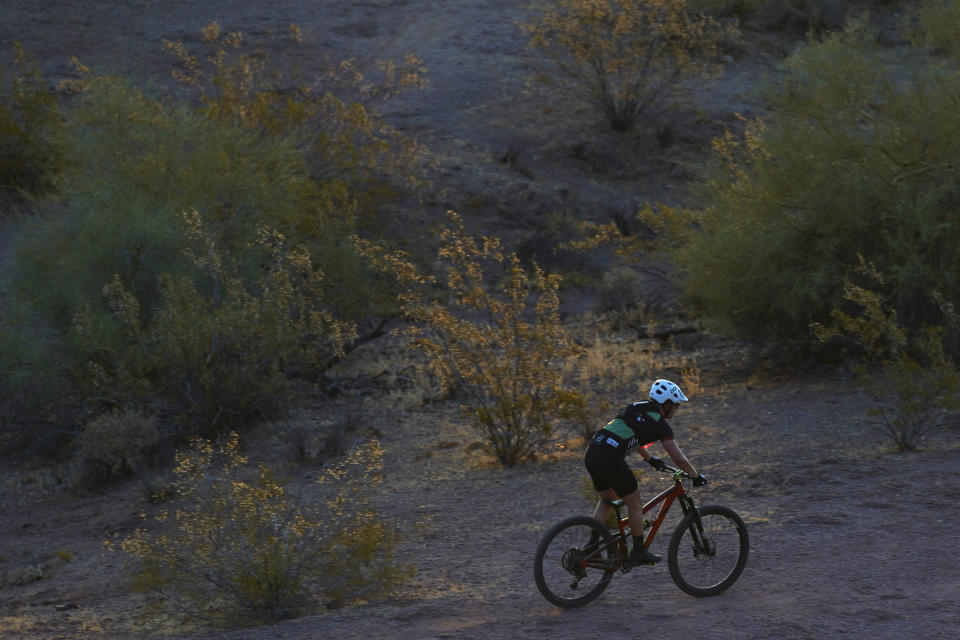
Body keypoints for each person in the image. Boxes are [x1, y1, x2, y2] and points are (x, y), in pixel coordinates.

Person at [584, 379, 707, 565]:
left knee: (607, 499)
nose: (676, 409)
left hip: (593, 452)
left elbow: (631, 433)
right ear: (666, 404)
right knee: (635, 504)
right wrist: (696, 476)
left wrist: (650, 459)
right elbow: (678, 457)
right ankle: (639, 550)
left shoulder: (635, 407)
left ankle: (591, 547)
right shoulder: (660, 424)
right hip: (610, 458)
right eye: (676, 405)